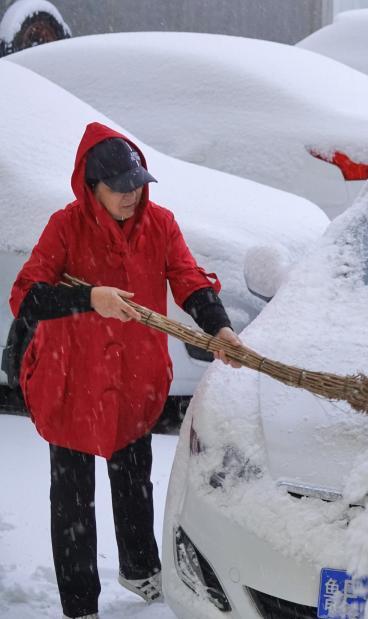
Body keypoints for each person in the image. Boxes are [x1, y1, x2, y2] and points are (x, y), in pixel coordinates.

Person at [8, 122, 242, 619]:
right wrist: (90, 298)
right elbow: (25, 296)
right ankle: (79, 604)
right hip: (71, 382)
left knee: (135, 481)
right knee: (72, 501)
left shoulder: (160, 224)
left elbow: (187, 279)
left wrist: (218, 327)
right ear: (92, 187)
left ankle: (140, 571)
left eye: (138, 183)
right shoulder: (65, 227)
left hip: (134, 382)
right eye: (120, 187)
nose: (133, 195)